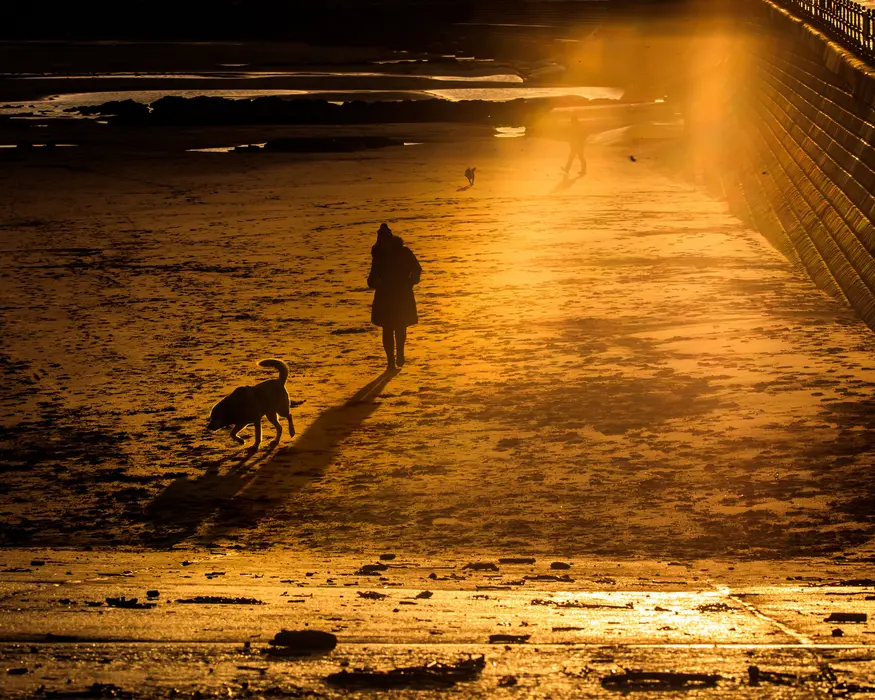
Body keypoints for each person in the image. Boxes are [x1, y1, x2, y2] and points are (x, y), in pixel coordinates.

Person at [367, 223, 422, 371]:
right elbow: (371, 279)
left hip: (400, 294)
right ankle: (391, 360)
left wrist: (411, 281)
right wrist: (376, 282)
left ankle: (399, 354)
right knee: (389, 328)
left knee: (399, 327)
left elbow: (416, 268)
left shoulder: (403, 252)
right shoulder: (379, 256)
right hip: (386, 296)